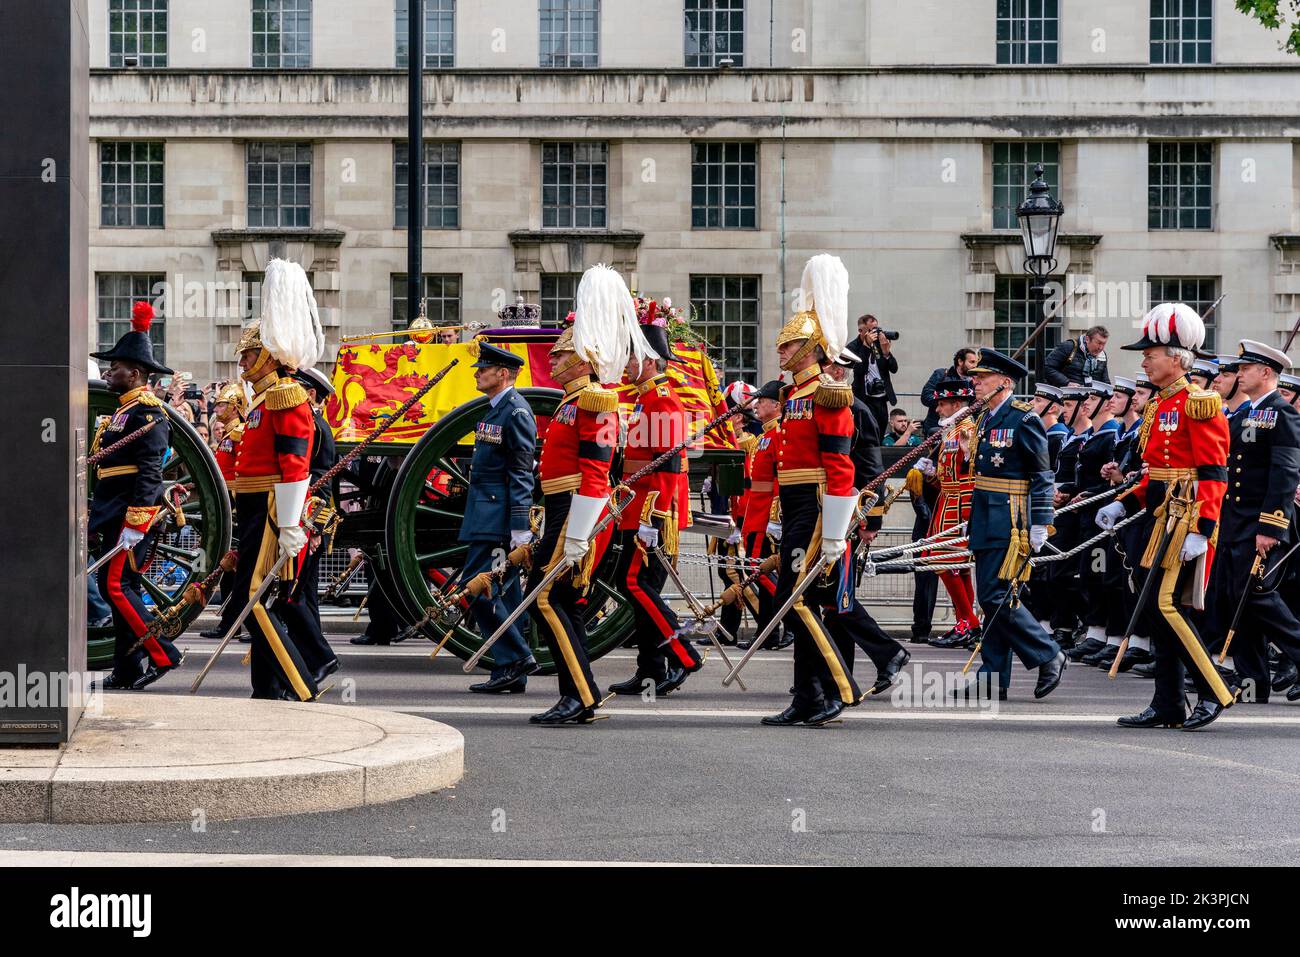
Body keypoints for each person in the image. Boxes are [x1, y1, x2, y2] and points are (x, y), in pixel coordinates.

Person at [1095, 302, 1237, 731]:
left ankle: (1214, 690)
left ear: (1176, 358)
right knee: (1155, 610)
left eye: (1151, 353)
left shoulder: (1199, 402)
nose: (1144, 360)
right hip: (1159, 516)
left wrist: (1204, 528)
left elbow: (1213, 472)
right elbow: (1157, 472)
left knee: (1168, 606)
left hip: (1188, 518)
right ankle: (1168, 702)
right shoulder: (1161, 404)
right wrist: (1126, 502)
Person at [525, 265, 640, 725]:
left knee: (549, 597)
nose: (551, 363)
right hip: (562, 509)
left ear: (580, 361)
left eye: (558, 358)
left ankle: (580, 694)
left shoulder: (595, 400)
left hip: (578, 511)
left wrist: (578, 534)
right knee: (562, 600)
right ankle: (578, 692)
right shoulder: (571, 401)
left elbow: (595, 472)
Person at [762, 255, 866, 727]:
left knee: (798, 599)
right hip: (798, 506)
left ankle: (830, 691)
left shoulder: (827, 393)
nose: (780, 352)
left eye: (789, 346)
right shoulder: (794, 397)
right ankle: (809, 694)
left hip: (822, 507)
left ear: (809, 348)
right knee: (795, 601)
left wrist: (835, 532)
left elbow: (840, 466)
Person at [229, 259, 324, 702]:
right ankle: (266, 687)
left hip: (271, 506)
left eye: (248, 354)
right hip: (254, 506)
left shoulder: (285, 394)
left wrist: (289, 524)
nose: (243, 361)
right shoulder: (263, 398)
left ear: (266, 355)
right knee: (256, 604)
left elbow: (294, 463)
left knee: (257, 599)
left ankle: (300, 683)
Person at [609, 310, 706, 697]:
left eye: (633, 358)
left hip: (654, 512)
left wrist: (654, 518)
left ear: (649, 360)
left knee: (635, 583)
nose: (628, 365)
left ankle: (684, 651)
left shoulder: (663, 402)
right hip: (639, 506)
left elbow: (669, 466)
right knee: (638, 586)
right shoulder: (644, 399)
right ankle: (650, 669)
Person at [88, 301, 185, 690]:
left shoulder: (148, 414)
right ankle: (128, 667)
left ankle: (164, 653)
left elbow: (149, 472)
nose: (110, 372)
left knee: (117, 588)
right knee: (118, 593)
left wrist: (136, 522)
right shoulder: (124, 412)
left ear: (137, 373)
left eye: (117, 367)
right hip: (113, 513)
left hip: (129, 517)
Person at [964, 348, 1067, 701]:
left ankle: (1048, 652)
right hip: (985, 515)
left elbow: (1042, 474)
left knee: (996, 595)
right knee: (992, 598)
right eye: (976, 377)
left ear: (1004, 382)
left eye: (983, 377)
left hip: (1010, 519)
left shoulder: (1024, 418)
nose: (976, 383)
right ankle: (992, 677)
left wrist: (1041, 521)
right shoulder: (985, 418)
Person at [1203, 341, 1300, 704]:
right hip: (1233, 522)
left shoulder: (1281, 413)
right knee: (1236, 600)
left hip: (1259, 525)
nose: (1238, 374)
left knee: (1259, 598)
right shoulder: (1243, 415)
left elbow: (1284, 473)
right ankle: (1252, 681)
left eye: (1246, 369)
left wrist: (1271, 527)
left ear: (1266, 373)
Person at [445, 343, 540, 694]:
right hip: (487, 513)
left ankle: (516, 655)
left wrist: (519, 526)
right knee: (506, 592)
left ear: (503, 374)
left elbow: (520, 472)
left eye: (484, 368)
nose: (477, 372)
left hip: (497, 519)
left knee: (476, 587)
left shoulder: (515, 412)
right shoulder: (496, 410)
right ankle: (511, 668)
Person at [277, 366, 341, 687]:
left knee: (293, 595)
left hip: (309, 520)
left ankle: (321, 657)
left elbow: (320, 481)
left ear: (311, 393)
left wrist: (312, 527)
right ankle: (308, 659)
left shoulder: (316, 427)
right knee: (303, 595)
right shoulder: (310, 422)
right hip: (304, 518)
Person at [913, 377, 981, 649]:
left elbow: (974, 468)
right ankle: (965, 620)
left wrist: (969, 453)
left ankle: (969, 621)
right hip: (947, 499)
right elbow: (946, 475)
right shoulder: (951, 430)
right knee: (953, 565)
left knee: (946, 562)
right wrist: (931, 474)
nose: (938, 410)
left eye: (942, 405)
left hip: (962, 501)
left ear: (956, 403)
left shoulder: (968, 430)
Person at [731, 380, 784, 649]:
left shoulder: (778, 435)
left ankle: (787, 620)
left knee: (761, 573)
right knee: (756, 573)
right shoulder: (764, 437)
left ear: (776, 405)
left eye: (762, 400)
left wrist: (776, 516)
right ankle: (768, 632)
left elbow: (780, 481)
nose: (757, 404)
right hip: (755, 514)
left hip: (767, 517)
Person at [202, 381, 249, 642]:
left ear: (235, 407)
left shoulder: (239, 432)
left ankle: (233, 622)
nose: (217, 407)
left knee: (234, 570)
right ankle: (230, 622)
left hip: (235, 505)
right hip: (227, 505)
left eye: (222, 404)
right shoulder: (228, 435)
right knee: (229, 570)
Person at [844, 313, 897, 436]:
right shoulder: (852, 347)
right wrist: (866, 347)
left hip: (882, 398)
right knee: (867, 432)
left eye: (876, 329)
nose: (875, 333)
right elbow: (859, 371)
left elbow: (894, 369)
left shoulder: (880, 345)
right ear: (861, 331)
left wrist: (886, 353)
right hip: (864, 398)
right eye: (871, 330)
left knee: (881, 430)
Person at [920, 347, 979, 432]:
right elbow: (925, 397)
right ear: (960, 362)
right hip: (937, 428)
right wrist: (947, 404)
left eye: (976, 363)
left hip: (963, 429)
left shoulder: (975, 382)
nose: (975, 366)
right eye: (972, 362)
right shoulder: (941, 374)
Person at [1043, 325, 1110, 386]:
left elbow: (1105, 381)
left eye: (1104, 344)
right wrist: (1067, 383)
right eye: (1098, 343)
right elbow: (1047, 367)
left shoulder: (1102, 355)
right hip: (1065, 396)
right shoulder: (1069, 347)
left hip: (1089, 397)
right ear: (1087, 339)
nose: (1101, 348)